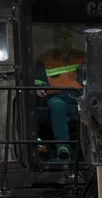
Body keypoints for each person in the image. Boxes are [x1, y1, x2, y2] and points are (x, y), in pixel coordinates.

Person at [34, 26, 87, 158]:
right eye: (63, 38)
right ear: (55, 40)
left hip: (80, 98)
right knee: (57, 105)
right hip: (57, 98)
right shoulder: (44, 60)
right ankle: (63, 147)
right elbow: (38, 84)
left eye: (69, 38)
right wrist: (39, 90)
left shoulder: (83, 57)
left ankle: (91, 150)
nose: (66, 41)